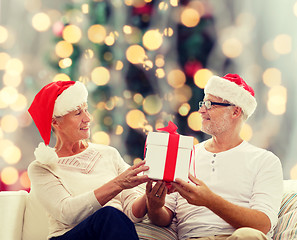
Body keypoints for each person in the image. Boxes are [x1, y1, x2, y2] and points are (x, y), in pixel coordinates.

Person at [145, 73, 283, 240]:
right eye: (203, 103)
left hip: (239, 238)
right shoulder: (186, 153)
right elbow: (164, 217)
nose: (201, 110)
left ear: (235, 111)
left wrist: (210, 201)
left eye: (210, 104)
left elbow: (262, 225)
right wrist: (154, 208)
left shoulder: (265, 161)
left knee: (248, 236)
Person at [27, 80, 149, 240]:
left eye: (86, 110)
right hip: (68, 236)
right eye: (78, 113)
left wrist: (149, 196)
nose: (88, 118)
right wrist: (118, 184)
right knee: (109, 215)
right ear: (56, 122)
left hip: (110, 232)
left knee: (112, 217)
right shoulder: (41, 168)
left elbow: (132, 213)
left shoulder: (109, 153)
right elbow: (67, 212)